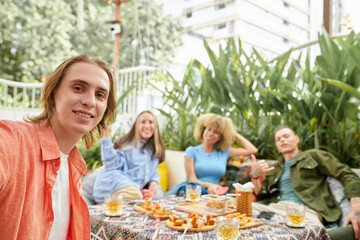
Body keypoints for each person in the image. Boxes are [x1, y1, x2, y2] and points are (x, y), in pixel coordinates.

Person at [0, 55, 117, 239]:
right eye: (78, 88)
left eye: (100, 95)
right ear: (54, 93)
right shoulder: (13, 141)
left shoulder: (74, 170)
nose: (90, 101)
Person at [250, 127, 360, 239]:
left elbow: (346, 174)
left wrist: (356, 207)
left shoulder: (313, 156)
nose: (282, 140)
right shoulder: (275, 168)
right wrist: (254, 176)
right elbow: (260, 193)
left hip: (304, 210)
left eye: (286, 136)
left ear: (297, 139)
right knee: (232, 202)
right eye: (278, 139)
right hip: (274, 208)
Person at [165, 113, 258, 196]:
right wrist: (209, 185)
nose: (210, 134)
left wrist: (232, 133)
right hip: (194, 190)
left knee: (225, 197)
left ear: (221, 137)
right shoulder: (192, 151)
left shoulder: (224, 152)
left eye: (216, 132)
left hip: (215, 192)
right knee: (201, 191)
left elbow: (252, 150)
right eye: (209, 129)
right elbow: (191, 179)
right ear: (203, 130)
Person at [93, 110, 166, 202]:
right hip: (113, 185)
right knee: (136, 195)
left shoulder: (154, 150)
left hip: (133, 189)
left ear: (155, 126)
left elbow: (153, 170)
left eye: (151, 122)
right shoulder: (127, 145)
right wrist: (105, 139)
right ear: (136, 126)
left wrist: (154, 181)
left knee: (157, 196)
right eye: (143, 122)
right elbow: (111, 165)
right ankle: (107, 203)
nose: (147, 126)